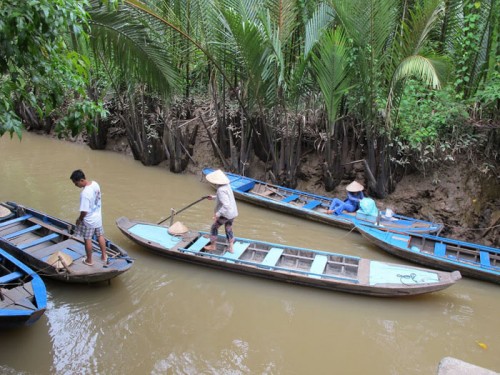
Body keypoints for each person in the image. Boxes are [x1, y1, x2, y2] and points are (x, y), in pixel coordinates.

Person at [70, 169, 108, 266]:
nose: (75, 185)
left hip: (89, 221)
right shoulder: (95, 184)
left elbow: (84, 211)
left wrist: (79, 220)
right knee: (100, 236)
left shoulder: (85, 194)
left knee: (87, 239)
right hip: (98, 217)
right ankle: (104, 256)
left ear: (81, 180)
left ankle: (89, 260)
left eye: (76, 183)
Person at [203, 169, 238, 253]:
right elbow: (226, 197)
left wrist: (217, 214)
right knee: (228, 228)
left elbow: (226, 204)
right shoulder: (227, 185)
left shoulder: (220, 189)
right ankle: (231, 248)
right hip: (232, 213)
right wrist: (214, 197)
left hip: (225, 214)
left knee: (214, 227)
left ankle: (213, 246)